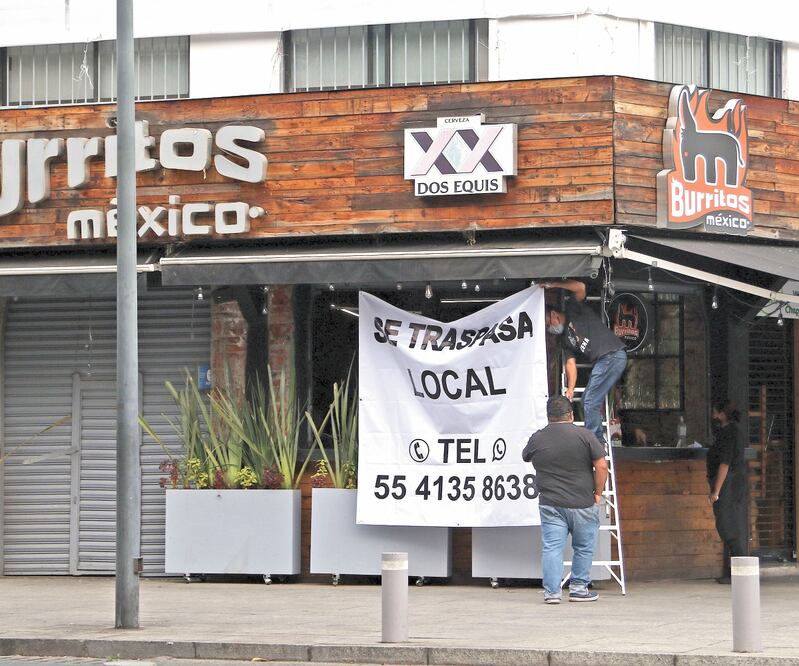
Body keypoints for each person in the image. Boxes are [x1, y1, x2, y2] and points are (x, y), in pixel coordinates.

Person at [522, 395, 608, 604]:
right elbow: (602, 466)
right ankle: (578, 589)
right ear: (570, 415)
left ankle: (552, 593)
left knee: (552, 548)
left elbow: (526, 456)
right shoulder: (586, 436)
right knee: (584, 547)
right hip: (583, 502)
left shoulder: (538, 438)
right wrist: (598, 493)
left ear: (549, 416)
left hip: (551, 503)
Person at [540, 280, 627, 444]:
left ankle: (594, 441)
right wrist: (571, 389)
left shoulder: (573, 309)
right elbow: (570, 364)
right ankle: (598, 440)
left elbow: (580, 287)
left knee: (590, 400)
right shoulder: (564, 340)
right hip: (606, 359)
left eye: (547, 324)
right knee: (588, 398)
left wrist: (553, 284)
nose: (549, 328)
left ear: (554, 315)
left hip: (611, 355)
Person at [707, 400, 747, 584]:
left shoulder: (729, 433)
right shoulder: (729, 432)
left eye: (715, 413)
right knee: (727, 524)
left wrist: (716, 491)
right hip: (730, 482)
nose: (713, 416)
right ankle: (734, 572)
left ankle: (741, 573)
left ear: (722, 414)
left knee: (727, 525)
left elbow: (725, 464)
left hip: (728, 483)